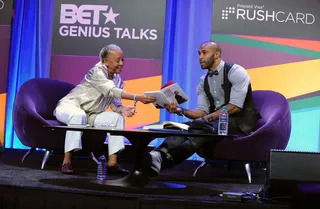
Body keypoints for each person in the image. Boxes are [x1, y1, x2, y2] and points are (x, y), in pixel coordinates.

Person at [142, 41, 261, 177]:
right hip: (214, 123)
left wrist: (205, 119)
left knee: (202, 127)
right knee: (181, 127)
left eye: (204, 53)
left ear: (217, 55)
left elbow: (234, 107)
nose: (200, 57)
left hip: (240, 122)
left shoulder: (236, 71)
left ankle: (163, 160)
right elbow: (202, 111)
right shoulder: (203, 81)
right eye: (199, 53)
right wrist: (180, 110)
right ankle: (159, 154)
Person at [54, 44, 156, 174]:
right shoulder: (96, 72)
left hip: (91, 114)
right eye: (117, 60)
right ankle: (67, 161)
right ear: (105, 61)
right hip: (70, 106)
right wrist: (137, 97)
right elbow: (111, 91)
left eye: (122, 60)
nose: (121, 63)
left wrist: (121, 108)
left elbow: (113, 98)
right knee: (78, 115)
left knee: (117, 119)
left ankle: (112, 163)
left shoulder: (116, 78)